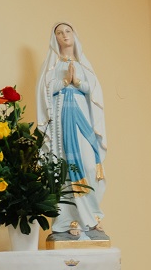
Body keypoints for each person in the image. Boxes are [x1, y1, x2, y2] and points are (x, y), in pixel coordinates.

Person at [36, 22, 109, 241]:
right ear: (54, 39)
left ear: (74, 35)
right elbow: (44, 92)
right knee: (64, 169)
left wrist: (77, 82)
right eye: (59, 32)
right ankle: (68, 221)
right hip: (61, 123)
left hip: (82, 120)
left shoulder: (84, 65)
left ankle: (92, 216)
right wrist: (64, 81)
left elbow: (94, 93)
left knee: (89, 165)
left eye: (68, 31)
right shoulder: (51, 65)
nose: (64, 35)